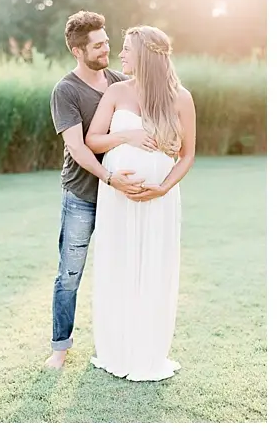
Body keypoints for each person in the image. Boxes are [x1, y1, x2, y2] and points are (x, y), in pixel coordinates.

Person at [85, 25, 195, 381]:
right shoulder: (116, 92)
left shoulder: (181, 98)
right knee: (119, 266)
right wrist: (126, 136)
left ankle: (147, 352)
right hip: (117, 198)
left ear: (146, 54)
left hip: (159, 201)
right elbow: (93, 140)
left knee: (153, 269)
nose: (121, 55)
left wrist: (162, 188)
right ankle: (117, 350)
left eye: (127, 49)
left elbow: (187, 156)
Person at [44, 11, 149, 369]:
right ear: (77, 50)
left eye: (107, 42)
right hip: (83, 196)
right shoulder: (66, 91)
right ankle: (60, 348)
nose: (107, 49)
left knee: (121, 268)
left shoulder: (121, 81)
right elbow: (77, 147)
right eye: (98, 45)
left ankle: (122, 341)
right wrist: (109, 177)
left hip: (120, 195)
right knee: (70, 273)